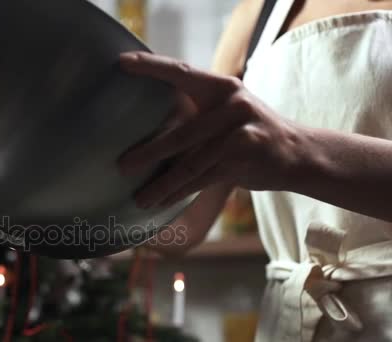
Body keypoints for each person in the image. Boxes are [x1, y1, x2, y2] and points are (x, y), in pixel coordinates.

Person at [118, 0, 392, 341]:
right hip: (289, 325)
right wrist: (84, 188)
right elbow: (186, 224)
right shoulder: (258, 12)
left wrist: (295, 151)